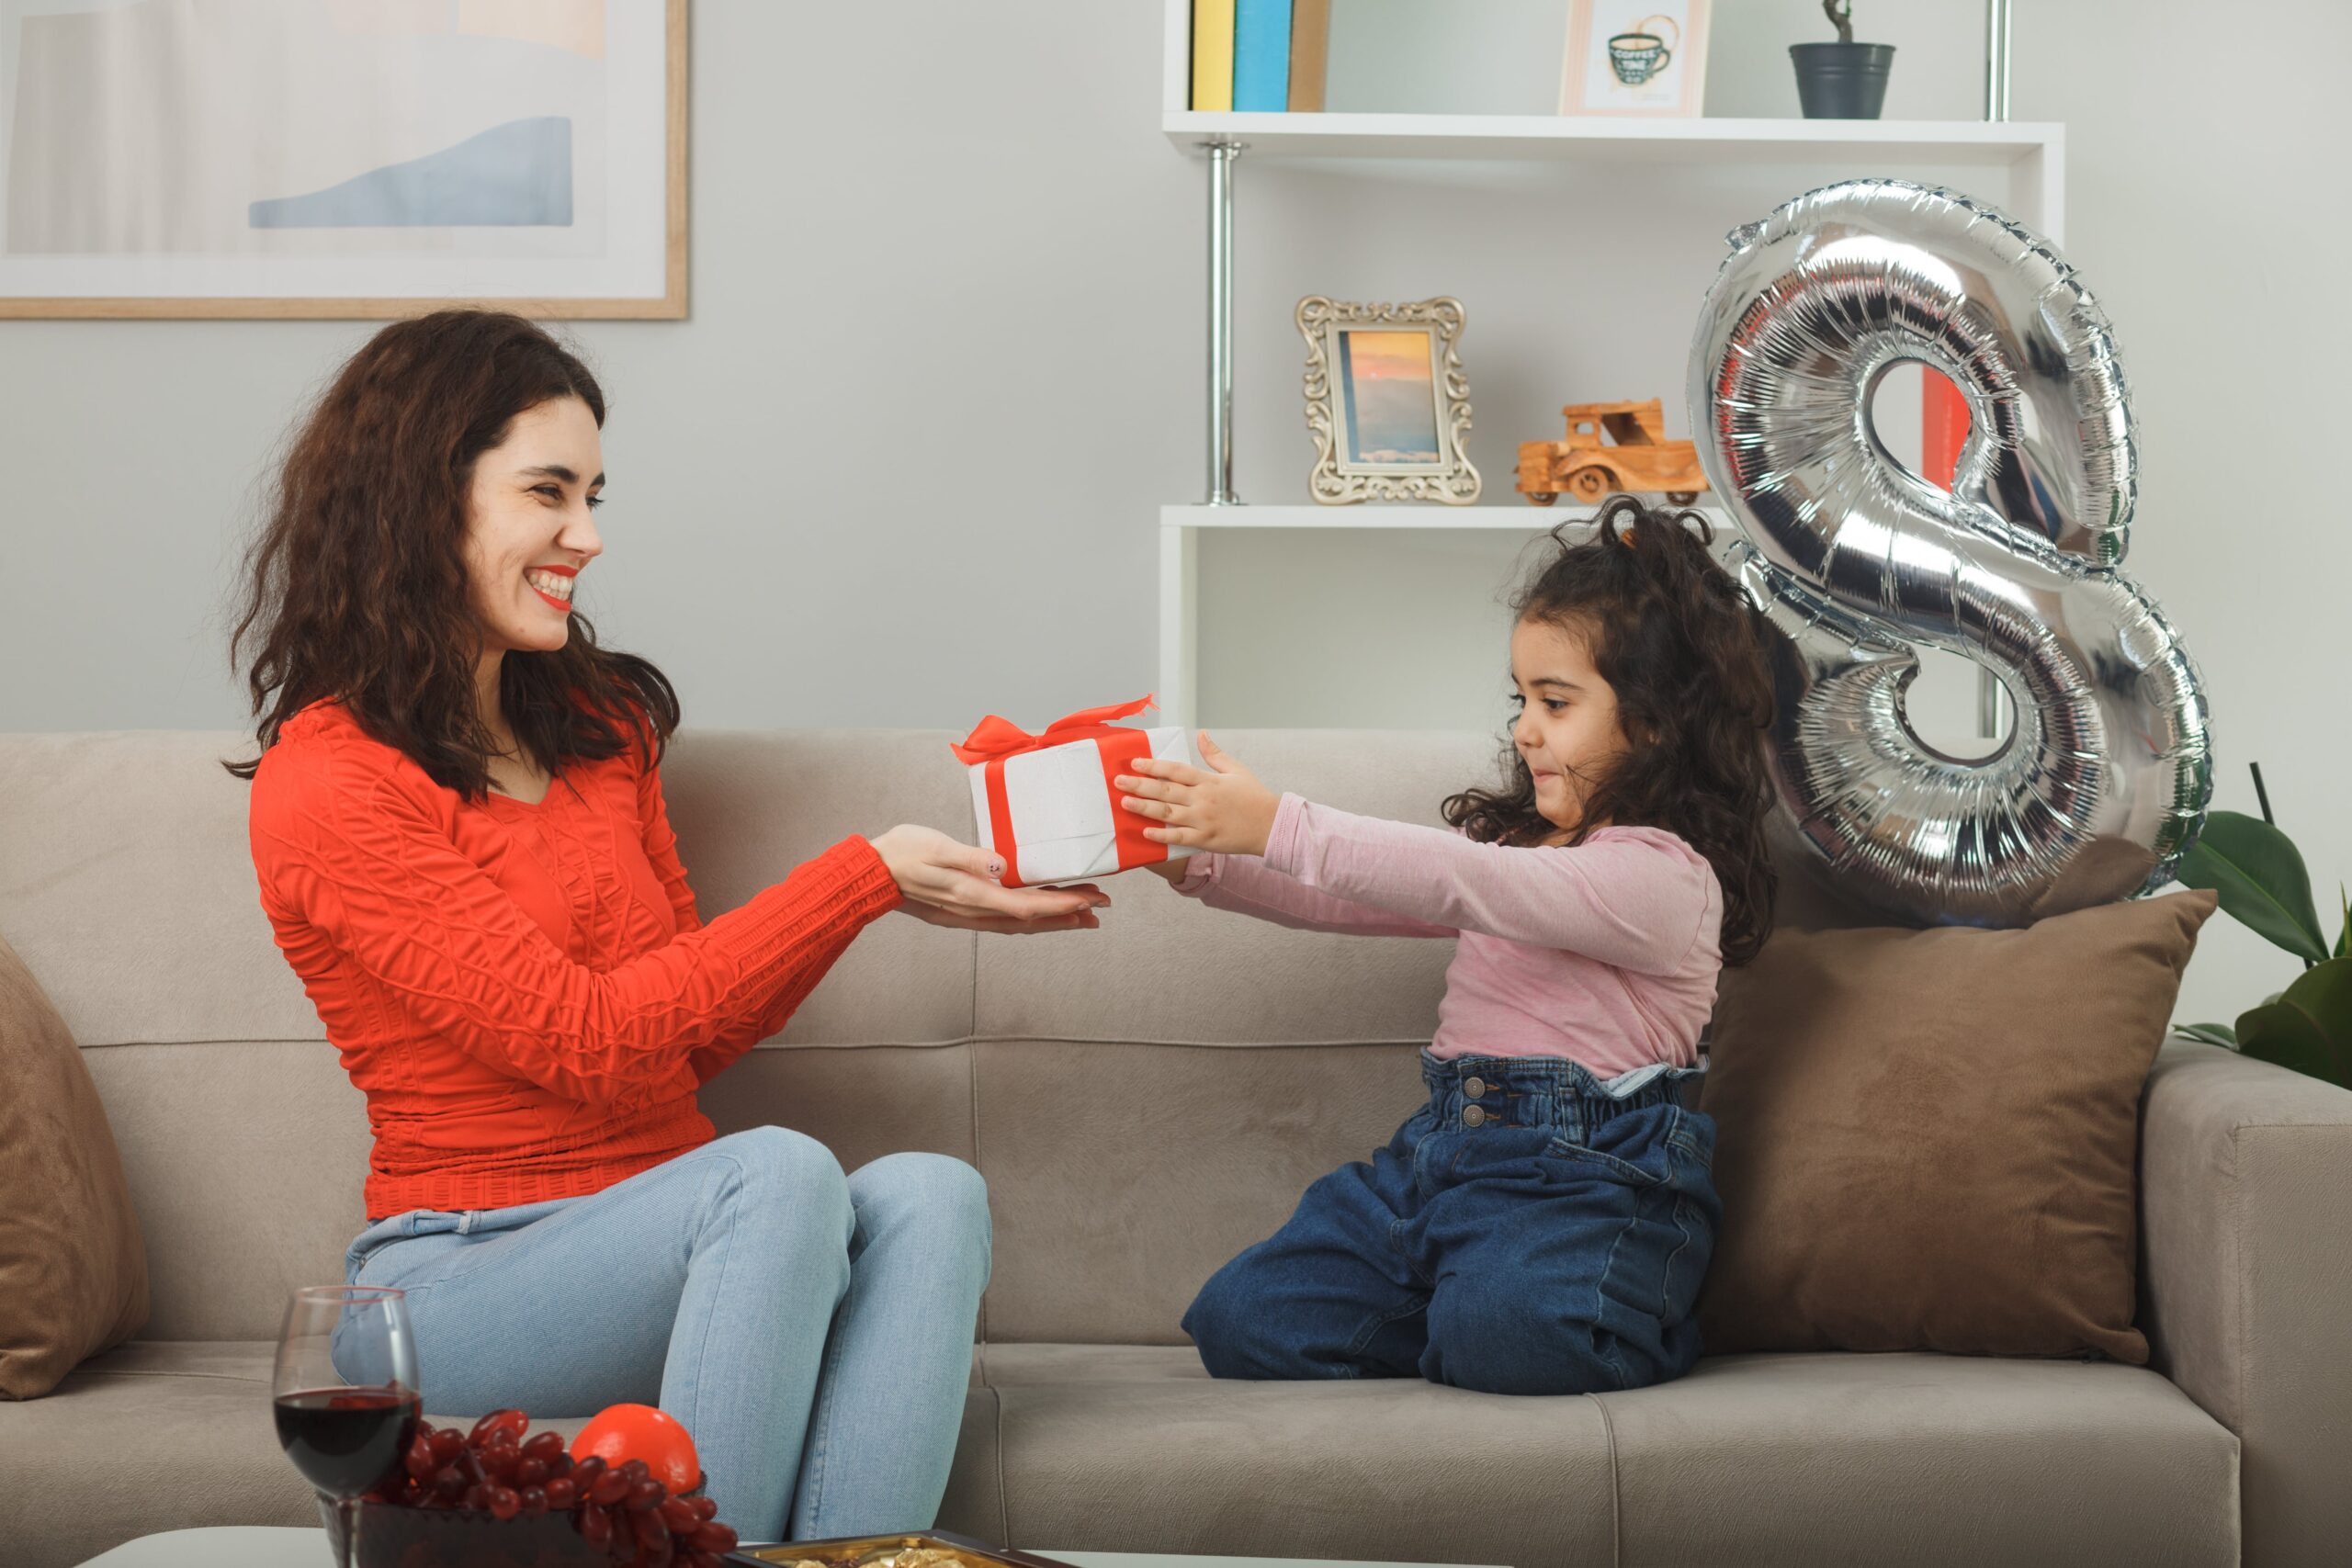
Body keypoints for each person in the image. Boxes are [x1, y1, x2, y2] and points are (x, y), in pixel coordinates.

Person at [227, 309, 1111, 1540]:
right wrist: (860, 875)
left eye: (593, 492)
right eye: (549, 491)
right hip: (456, 1271)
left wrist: (886, 889)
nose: (586, 535)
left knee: (932, 1190)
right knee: (776, 1167)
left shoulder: (601, 724)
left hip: (671, 1224)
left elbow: (681, 1046)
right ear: (418, 500)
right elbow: (586, 1041)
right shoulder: (330, 782)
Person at [1113, 494, 1778, 1395]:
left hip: (1582, 1180)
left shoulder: (1664, 879)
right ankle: (1470, 1304)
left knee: (1515, 1340)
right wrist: (1191, 865)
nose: (1524, 729)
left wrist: (1276, 820)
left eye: (1555, 702)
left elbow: (1454, 879)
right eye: (1521, 701)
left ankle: (1596, 1307)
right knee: (1242, 1320)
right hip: (1437, 1160)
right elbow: (1348, 903)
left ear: (1657, 721)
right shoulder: (1525, 851)